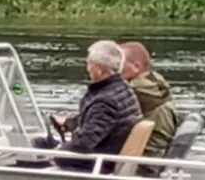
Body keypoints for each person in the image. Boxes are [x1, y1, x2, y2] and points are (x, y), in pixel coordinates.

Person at [35, 40, 142, 173]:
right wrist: (69, 123)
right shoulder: (123, 89)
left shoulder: (105, 101)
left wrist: (57, 154)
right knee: (42, 142)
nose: (87, 68)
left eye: (89, 64)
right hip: (107, 152)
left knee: (37, 156)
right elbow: (97, 124)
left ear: (99, 69)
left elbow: (84, 143)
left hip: (97, 162)